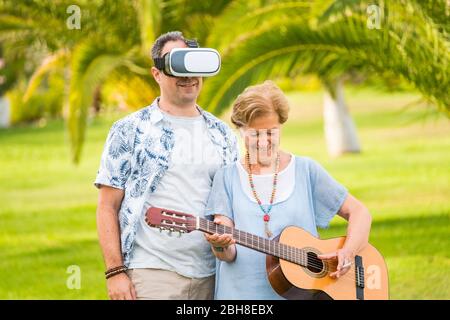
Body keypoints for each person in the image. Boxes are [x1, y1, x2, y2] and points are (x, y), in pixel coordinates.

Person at [94, 31, 238, 300]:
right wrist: (115, 272)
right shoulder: (129, 130)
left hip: (214, 275)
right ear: (156, 73)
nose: (188, 76)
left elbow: (232, 200)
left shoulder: (223, 134)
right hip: (152, 272)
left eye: (193, 66)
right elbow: (107, 205)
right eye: (177, 66)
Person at [204, 80, 372, 300]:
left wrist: (347, 253)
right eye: (255, 134)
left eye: (271, 132)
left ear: (281, 126)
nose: (264, 142)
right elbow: (228, 254)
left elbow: (360, 213)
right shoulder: (226, 177)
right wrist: (220, 246)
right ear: (241, 129)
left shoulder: (305, 170)